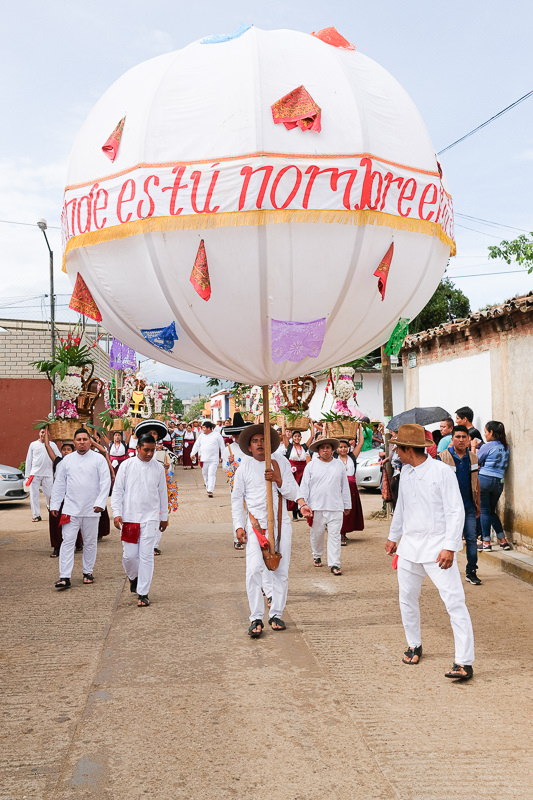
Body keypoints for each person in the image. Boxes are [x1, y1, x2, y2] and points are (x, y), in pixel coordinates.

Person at [385, 424, 475, 681]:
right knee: (406, 598)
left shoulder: (442, 472)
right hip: (410, 549)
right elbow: (401, 508)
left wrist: (450, 546)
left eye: (397, 449)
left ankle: (464, 662)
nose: (396, 453)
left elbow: (456, 511)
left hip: (438, 549)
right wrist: (394, 537)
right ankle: (414, 644)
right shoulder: (406, 473)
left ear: (407, 449)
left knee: (454, 603)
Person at [232, 424, 311, 637]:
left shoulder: (280, 462)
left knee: (280, 572)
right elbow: (237, 499)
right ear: (249, 446)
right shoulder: (244, 468)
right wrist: (238, 526)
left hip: (280, 524)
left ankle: (276, 613)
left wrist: (277, 479)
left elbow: (292, 491)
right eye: (255, 441)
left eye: (263, 440)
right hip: (255, 526)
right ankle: (256, 617)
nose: (259, 444)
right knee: (253, 571)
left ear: (269, 443)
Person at [50, 428, 111, 591]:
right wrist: (55, 504)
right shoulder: (66, 461)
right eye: (79, 439)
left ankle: (87, 572)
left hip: (92, 509)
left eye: (85, 439)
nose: (82, 442)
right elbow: (59, 484)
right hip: (70, 509)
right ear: (74, 442)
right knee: (67, 542)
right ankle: (64, 576)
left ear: (90, 441)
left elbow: (105, 482)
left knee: (90, 542)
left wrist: (101, 502)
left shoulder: (99, 459)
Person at [111, 434, 168, 607]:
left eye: (152, 450)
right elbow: (118, 491)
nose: (150, 454)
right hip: (129, 519)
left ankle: (143, 593)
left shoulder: (158, 468)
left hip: (150, 519)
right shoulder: (127, 466)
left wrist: (163, 517)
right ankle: (133, 577)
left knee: (146, 556)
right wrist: (116, 513)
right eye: (146, 450)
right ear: (137, 448)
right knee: (129, 556)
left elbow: (162, 494)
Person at [300, 437, 352, 575]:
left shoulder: (339, 464)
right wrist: (303, 504)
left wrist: (347, 504)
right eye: (322, 448)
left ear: (332, 449)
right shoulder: (311, 465)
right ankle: (317, 554)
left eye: (328, 447)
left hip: (335, 506)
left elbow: (344, 486)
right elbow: (304, 486)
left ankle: (334, 563)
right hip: (316, 507)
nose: (325, 450)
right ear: (318, 450)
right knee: (317, 534)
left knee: (335, 535)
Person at [439, 426, 482, 585]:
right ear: (452, 439)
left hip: (468, 505)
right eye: (458, 436)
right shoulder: (442, 458)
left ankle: (471, 571)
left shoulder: (473, 458)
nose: (461, 440)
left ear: (469, 439)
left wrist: (478, 503)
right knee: (447, 539)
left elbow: (475, 480)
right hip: (448, 507)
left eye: (465, 437)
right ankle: (445, 571)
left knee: (471, 538)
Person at [42, 430, 80, 558]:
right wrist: (47, 433)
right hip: (58, 496)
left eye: (69, 449)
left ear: (73, 451)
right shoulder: (58, 461)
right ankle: (57, 547)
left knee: (73, 521)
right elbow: (48, 447)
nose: (65, 451)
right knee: (55, 523)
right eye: (64, 449)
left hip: (72, 496)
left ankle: (77, 542)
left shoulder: (76, 462)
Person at [477, 421, 511, 551]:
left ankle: (486, 542)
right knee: (491, 511)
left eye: (485, 432)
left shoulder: (487, 446)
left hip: (484, 479)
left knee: (485, 511)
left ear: (491, 432)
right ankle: (503, 540)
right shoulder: (506, 446)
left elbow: (476, 461)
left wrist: (474, 446)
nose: (485, 435)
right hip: (499, 482)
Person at [222, 413, 251, 549]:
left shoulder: (250, 448)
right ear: (233, 436)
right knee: (238, 508)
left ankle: (250, 534)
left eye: (242, 434)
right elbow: (224, 469)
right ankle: (237, 537)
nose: (240, 437)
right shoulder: (228, 449)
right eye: (237, 435)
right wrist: (229, 463)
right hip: (235, 483)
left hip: (251, 482)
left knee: (251, 508)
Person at [24, 428, 60, 521]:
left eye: (45, 432)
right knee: (34, 495)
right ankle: (36, 515)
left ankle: (50, 507)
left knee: (49, 494)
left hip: (48, 473)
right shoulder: (33, 444)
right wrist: (27, 475)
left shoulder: (52, 445)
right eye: (42, 432)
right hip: (34, 473)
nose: (44, 434)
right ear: (39, 433)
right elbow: (29, 459)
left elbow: (58, 458)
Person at [334, 435, 364, 545]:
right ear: (336, 448)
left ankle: (344, 531)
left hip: (351, 488)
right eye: (340, 447)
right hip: (338, 488)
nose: (343, 449)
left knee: (349, 510)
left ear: (349, 448)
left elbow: (360, 443)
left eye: (345, 447)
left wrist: (360, 427)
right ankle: (341, 534)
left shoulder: (352, 457)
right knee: (340, 510)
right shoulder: (334, 458)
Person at [283, 430, 311, 522]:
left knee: (302, 489)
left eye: (299, 436)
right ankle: (294, 513)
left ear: (301, 438)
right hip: (293, 471)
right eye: (295, 436)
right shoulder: (290, 446)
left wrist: (311, 422)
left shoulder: (304, 447)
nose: (297, 438)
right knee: (294, 490)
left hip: (303, 470)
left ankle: (301, 508)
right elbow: (284, 435)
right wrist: (283, 424)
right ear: (292, 438)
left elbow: (312, 436)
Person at [191, 420, 224, 497]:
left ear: (209, 428)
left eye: (204, 428)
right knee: (205, 474)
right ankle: (207, 485)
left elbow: (222, 446)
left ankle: (210, 490)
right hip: (204, 459)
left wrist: (222, 456)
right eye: (202, 428)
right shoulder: (201, 436)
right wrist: (192, 453)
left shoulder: (217, 435)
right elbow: (196, 445)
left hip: (214, 459)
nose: (203, 429)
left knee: (211, 474)